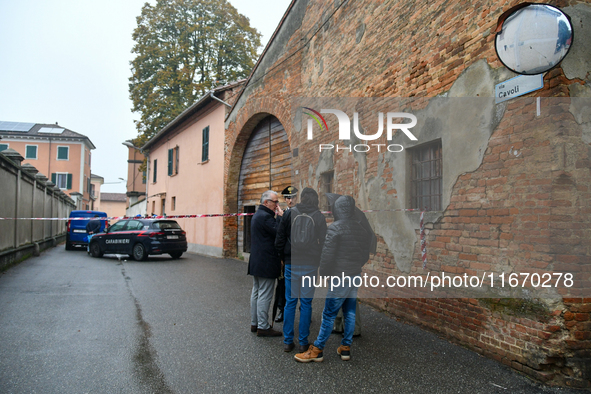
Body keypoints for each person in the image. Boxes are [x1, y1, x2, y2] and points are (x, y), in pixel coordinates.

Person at [294, 195, 370, 362]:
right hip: (354, 274)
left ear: (337, 209)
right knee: (349, 312)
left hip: (339, 276)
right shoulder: (361, 229)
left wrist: (325, 275)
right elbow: (365, 254)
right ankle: (345, 347)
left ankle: (317, 350)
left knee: (329, 314)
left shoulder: (335, 228)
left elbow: (327, 256)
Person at [275, 187, 326, 353]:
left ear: (301, 198)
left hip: (291, 262)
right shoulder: (319, 216)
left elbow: (280, 238)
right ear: (316, 200)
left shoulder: (290, 213)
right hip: (310, 264)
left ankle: (288, 341)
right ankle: (303, 342)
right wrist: (318, 260)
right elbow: (324, 242)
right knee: (306, 303)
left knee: (290, 302)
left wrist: (283, 258)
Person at [248, 190, 284, 337]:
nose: (277, 205)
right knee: (264, 294)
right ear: (266, 203)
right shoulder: (265, 217)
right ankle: (263, 326)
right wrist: (281, 218)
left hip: (257, 261)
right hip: (266, 262)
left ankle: (255, 323)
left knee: (256, 292)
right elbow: (280, 232)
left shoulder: (259, 215)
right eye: (275, 202)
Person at [273, 186, 299, 323]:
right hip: (286, 257)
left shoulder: (301, 213)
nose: (291, 200)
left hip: (300, 257)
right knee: (282, 285)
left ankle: (304, 311)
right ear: (285, 199)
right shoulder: (280, 215)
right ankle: (282, 310)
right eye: (288, 198)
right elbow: (279, 236)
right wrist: (280, 257)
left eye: (293, 197)